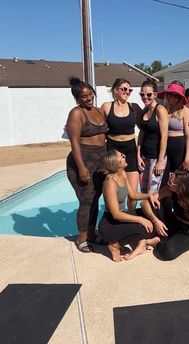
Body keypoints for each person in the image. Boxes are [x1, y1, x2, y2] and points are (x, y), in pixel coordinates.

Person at [66, 77, 108, 253]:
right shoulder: (76, 113)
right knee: (86, 199)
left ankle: (91, 233)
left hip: (100, 160)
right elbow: (74, 142)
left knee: (96, 198)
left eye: (90, 93)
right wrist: (81, 167)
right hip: (82, 160)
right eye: (84, 96)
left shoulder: (99, 111)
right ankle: (81, 237)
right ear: (77, 98)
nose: (88, 98)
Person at [98, 149, 160, 262]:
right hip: (110, 225)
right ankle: (114, 245)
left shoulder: (122, 174)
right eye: (121, 155)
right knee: (145, 227)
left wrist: (149, 196)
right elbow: (116, 214)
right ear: (116, 163)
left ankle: (144, 242)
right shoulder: (110, 184)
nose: (124, 155)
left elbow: (133, 194)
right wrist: (140, 219)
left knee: (151, 219)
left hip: (121, 219)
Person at [141, 170, 189, 260]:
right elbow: (144, 203)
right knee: (153, 204)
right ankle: (160, 233)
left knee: (168, 252)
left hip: (186, 232)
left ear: (179, 186)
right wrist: (155, 221)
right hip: (172, 221)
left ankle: (156, 242)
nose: (168, 183)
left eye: (170, 182)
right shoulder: (170, 189)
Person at [101, 78, 142, 211]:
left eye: (129, 90)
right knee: (113, 190)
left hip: (130, 150)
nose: (127, 92)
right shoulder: (107, 106)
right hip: (113, 150)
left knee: (133, 193)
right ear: (115, 90)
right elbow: (99, 129)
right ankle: (114, 218)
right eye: (124, 89)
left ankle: (131, 215)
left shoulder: (134, 107)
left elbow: (147, 127)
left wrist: (140, 153)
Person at [157, 81, 189, 187]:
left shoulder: (184, 110)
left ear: (180, 97)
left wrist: (187, 158)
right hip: (163, 148)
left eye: (176, 96)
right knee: (163, 181)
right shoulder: (162, 108)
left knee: (178, 182)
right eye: (171, 94)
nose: (173, 98)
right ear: (167, 94)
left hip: (179, 149)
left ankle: (178, 203)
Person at [137, 80, 168, 194]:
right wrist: (138, 155)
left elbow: (164, 137)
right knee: (144, 191)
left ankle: (153, 212)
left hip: (156, 157)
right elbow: (142, 133)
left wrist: (160, 161)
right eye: (142, 94)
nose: (145, 97)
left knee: (153, 193)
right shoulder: (145, 110)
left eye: (149, 94)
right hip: (145, 157)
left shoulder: (160, 110)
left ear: (155, 94)